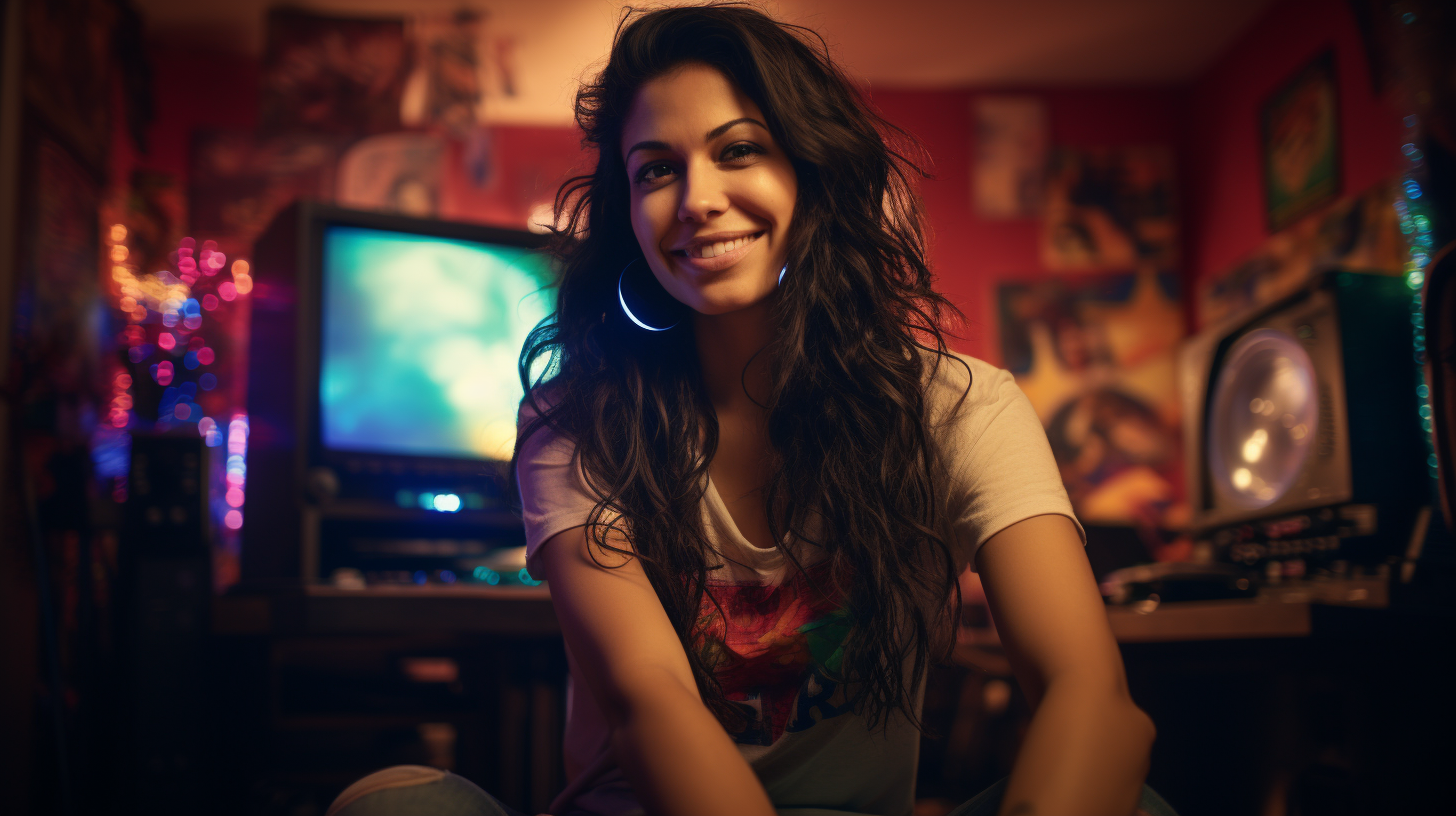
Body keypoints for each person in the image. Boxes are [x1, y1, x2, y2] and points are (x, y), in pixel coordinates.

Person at [328, 4, 1175, 816]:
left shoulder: (963, 408)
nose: (696, 197)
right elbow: (648, 699)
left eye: (739, 150)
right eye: (656, 169)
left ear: (812, 173)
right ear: (629, 212)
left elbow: (1091, 697)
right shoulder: (575, 419)